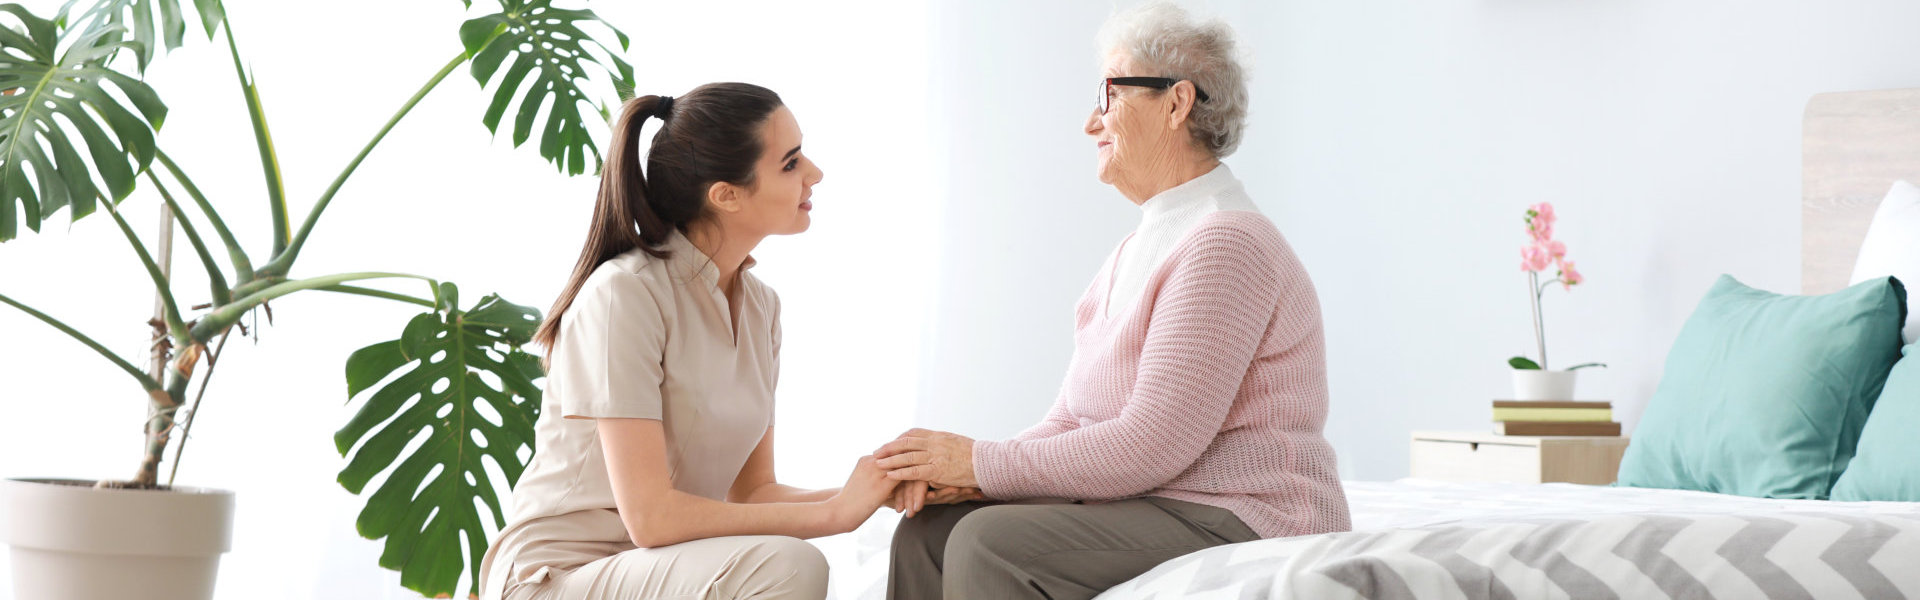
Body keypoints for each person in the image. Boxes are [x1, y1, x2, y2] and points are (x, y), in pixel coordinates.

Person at [878, 5, 1352, 599]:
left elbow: (1151, 443)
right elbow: (1072, 420)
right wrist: (970, 480)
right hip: (1158, 503)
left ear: (1177, 103)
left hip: (1245, 514)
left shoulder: (1226, 241)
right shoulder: (1139, 248)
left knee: (988, 541)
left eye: (1108, 95)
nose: (1089, 123)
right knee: (930, 532)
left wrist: (978, 465)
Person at [477, 82, 896, 600]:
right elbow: (651, 517)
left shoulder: (762, 308)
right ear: (726, 194)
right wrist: (834, 515)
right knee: (788, 565)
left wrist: (876, 493)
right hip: (557, 576)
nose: (815, 173)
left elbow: (752, 494)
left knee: (788, 562)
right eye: (790, 163)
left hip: (661, 567)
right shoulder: (624, 295)